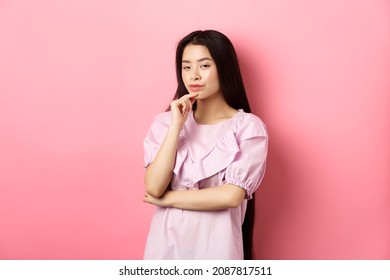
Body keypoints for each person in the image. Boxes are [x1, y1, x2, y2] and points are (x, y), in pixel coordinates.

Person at [142, 30, 268, 260]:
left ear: (224, 68)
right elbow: (154, 186)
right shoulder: (165, 123)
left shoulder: (248, 128)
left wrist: (169, 199)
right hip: (164, 251)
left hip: (218, 253)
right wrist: (176, 126)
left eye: (204, 65)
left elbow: (230, 196)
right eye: (186, 67)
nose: (194, 76)